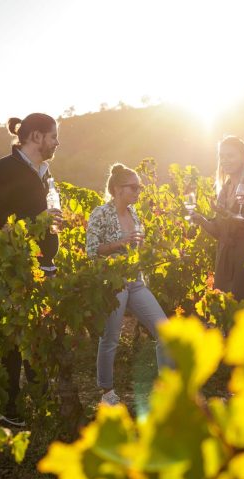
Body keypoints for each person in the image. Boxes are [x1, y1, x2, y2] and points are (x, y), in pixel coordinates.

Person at [0, 113, 62, 426]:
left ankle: (40, 398)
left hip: (44, 265)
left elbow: (41, 215)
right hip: (15, 268)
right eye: (53, 136)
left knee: (38, 333)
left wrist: (51, 223)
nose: (57, 142)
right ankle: (10, 409)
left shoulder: (43, 171)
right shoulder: (5, 169)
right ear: (37, 136)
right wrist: (38, 223)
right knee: (14, 335)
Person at [86, 163, 170, 406]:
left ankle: (167, 387)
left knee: (164, 331)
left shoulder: (133, 214)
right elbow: (92, 251)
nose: (138, 192)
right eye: (133, 188)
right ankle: (107, 393)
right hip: (113, 283)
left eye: (139, 188)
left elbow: (135, 247)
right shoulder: (100, 213)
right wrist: (119, 244)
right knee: (110, 337)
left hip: (135, 281)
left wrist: (144, 249)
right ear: (117, 189)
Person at [192, 136, 244, 300]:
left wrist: (225, 213)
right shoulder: (225, 188)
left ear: (243, 157)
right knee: (224, 308)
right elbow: (219, 232)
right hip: (224, 258)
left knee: (242, 307)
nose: (225, 160)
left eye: (230, 156)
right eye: (222, 156)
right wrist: (201, 220)